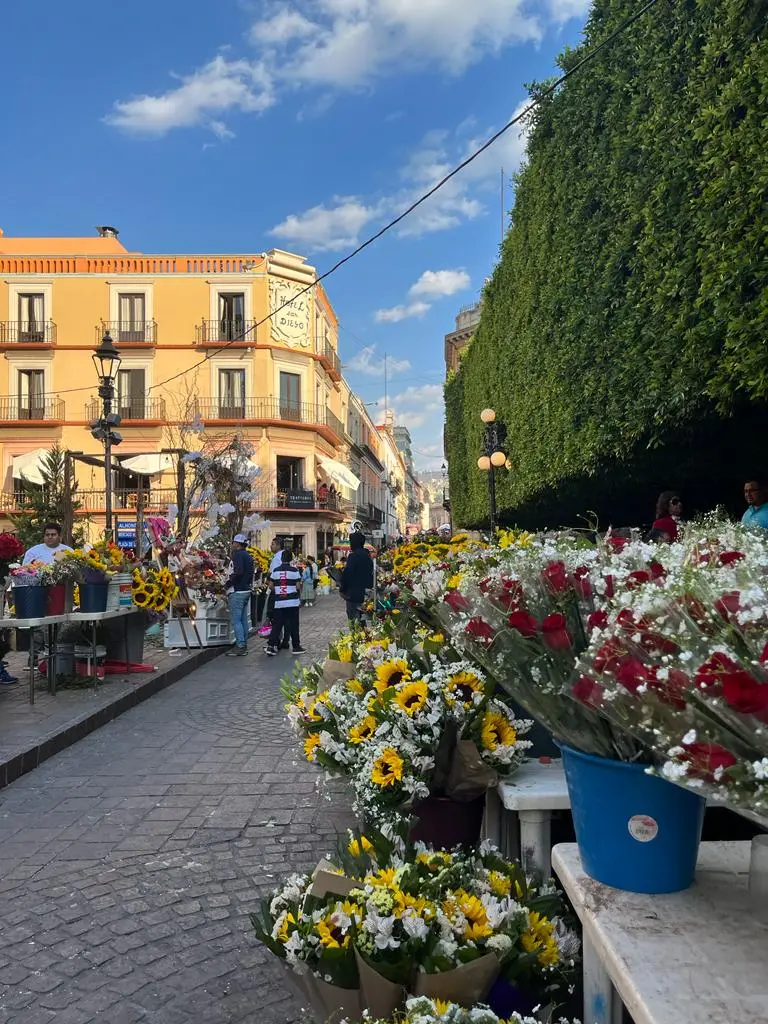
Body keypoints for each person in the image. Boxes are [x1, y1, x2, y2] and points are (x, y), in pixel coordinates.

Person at [265, 550, 304, 656]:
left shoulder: (276, 571)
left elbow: (270, 586)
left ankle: (270, 646)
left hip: (279, 602)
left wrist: (279, 590)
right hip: (292, 602)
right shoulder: (294, 571)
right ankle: (296, 646)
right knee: (293, 624)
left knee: (277, 625)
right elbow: (297, 586)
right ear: (290, 559)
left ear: (281, 559)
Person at [226, 534, 254, 657]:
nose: (232, 544)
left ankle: (240, 646)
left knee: (236, 620)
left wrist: (228, 583)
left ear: (238, 543)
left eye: (233, 542)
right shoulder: (248, 556)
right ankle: (244, 644)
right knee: (243, 620)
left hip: (238, 591)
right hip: (246, 590)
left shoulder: (238, 555)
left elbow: (238, 571)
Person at [339, 531, 374, 623]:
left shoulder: (353, 556)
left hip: (353, 593)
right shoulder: (368, 557)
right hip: (365, 593)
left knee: (354, 621)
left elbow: (348, 574)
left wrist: (342, 589)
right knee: (362, 620)